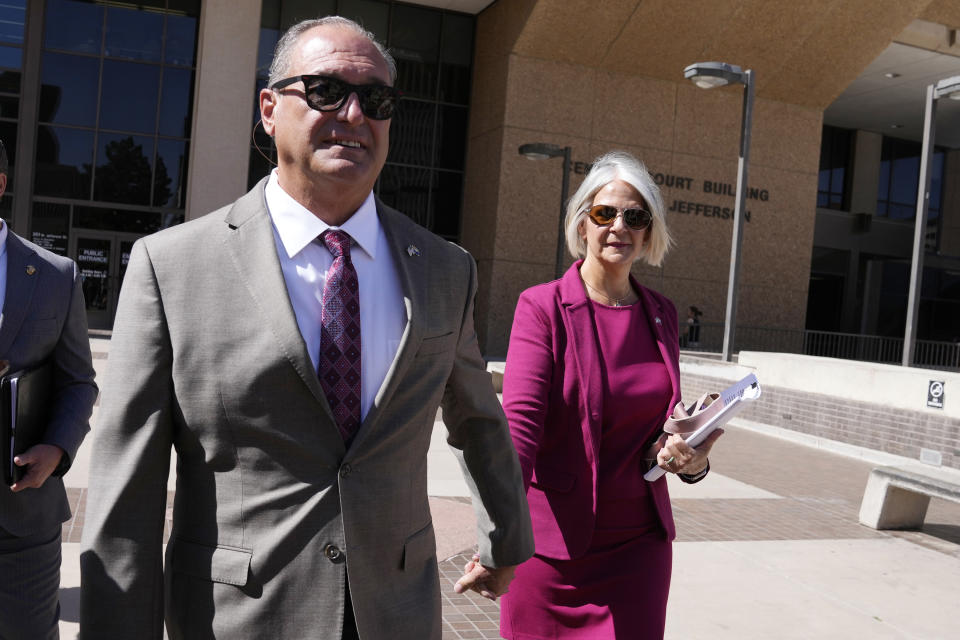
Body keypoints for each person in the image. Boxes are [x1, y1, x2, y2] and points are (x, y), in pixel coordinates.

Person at [79, 17, 532, 640]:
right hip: (239, 617)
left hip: (396, 610)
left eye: (376, 100)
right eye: (324, 91)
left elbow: (478, 416)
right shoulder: (174, 266)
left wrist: (505, 535)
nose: (353, 113)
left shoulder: (445, 270)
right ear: (269, 109)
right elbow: (126, 486)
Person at [499, 151, 723, 639]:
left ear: (648, 232)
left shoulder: (661, 314)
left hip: (639, 550)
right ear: (583, 225)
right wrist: (498, 533)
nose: (618, 225)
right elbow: (519, 429)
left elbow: (660, 429)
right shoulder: (542, 308)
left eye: (634, 215)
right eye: (605, 213)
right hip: (550, 552)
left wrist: (690, 459)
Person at [0, 138, 98, 639]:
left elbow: (79, 380)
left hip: (21, 515)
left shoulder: (56, 276)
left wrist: (58, 448)